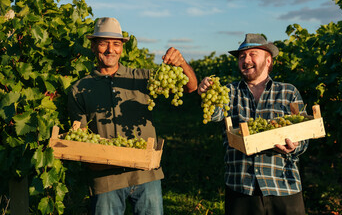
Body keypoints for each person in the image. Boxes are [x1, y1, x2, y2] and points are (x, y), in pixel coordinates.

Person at [67, 17, 198, 215]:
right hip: (105, 181)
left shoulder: (142, 78)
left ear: (122, 48)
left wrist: (181, 63)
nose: (111, 50)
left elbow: (191, 87)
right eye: (103, 43)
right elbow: (81, 137)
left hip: (147, 176)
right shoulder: (79, 89)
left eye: (116, 44)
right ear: (93, 46)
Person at [197, 33, 308, 215]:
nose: (246, 60)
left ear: (268, 61)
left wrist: (294, 146)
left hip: (283, 185)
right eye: (242, 56)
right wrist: (206, 94)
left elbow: (304, 136)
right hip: (241, 187)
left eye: (253, 54)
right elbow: (214, 115)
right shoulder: (227, 92)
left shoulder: (289, 92)